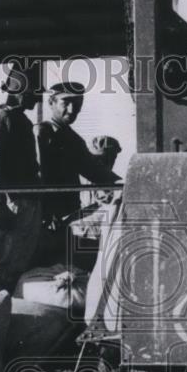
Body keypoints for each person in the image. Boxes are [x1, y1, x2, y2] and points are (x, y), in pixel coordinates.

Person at [34, 82, 121, 266]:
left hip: (66, 217)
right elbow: (34, 176)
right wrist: (44, 213)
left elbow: (94, 171)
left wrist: (126, 183)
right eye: (66, 102)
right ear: (51, 103)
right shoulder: (41, 133)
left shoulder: (73, 139)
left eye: (78, 103)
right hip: (43, 219)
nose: (73, 109)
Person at [0, 60, 44, 289]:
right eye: (34, 93)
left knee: (22, 266)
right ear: (19, 92)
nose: (37, 99)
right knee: (10, 267)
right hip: (14, 204)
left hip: (27, 203)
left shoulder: (21, 121)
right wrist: (0, 204)